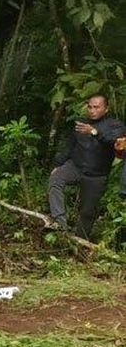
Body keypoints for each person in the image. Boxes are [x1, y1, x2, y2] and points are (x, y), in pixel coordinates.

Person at [48, 94, 126, 239]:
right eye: (90, 107)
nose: (92, 110)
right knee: (56, 179)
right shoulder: (80, 123)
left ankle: (79, 242)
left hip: (97, 174)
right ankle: (59, 223)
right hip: (75, 166)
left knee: (88, 212)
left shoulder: (115, 125)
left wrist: (94, 132)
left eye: (96, 107)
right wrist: (58, 164)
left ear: (106, 108)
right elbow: (69, 146)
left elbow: (114, 142)